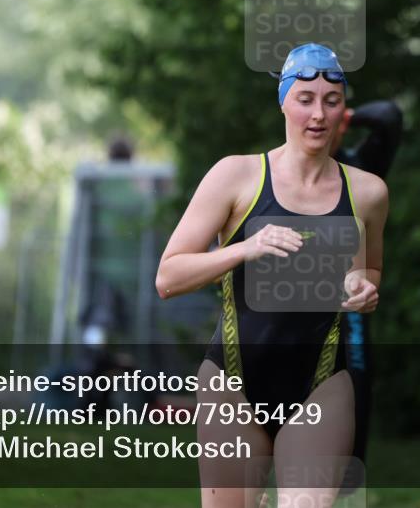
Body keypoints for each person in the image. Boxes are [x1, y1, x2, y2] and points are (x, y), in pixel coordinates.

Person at [155, 43, 389, 507]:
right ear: (283, 101)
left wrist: (364, 287)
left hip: (321, 382)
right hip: (233, 382)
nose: (318, 114)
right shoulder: (236, 177)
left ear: (344, 109)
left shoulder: (367, 193)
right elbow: (169, 277)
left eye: (331, 100)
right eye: (305, 99)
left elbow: (366, 270)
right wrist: (245, 247)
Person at [330, 97, 402, 493]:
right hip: (294, 308)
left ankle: (348, 487)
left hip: (347, 307)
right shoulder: (285, 172)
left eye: (334, 105)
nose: (322, 115)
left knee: (355, 382)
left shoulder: (360, 169)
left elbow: (390, 116)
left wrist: (346, 114)